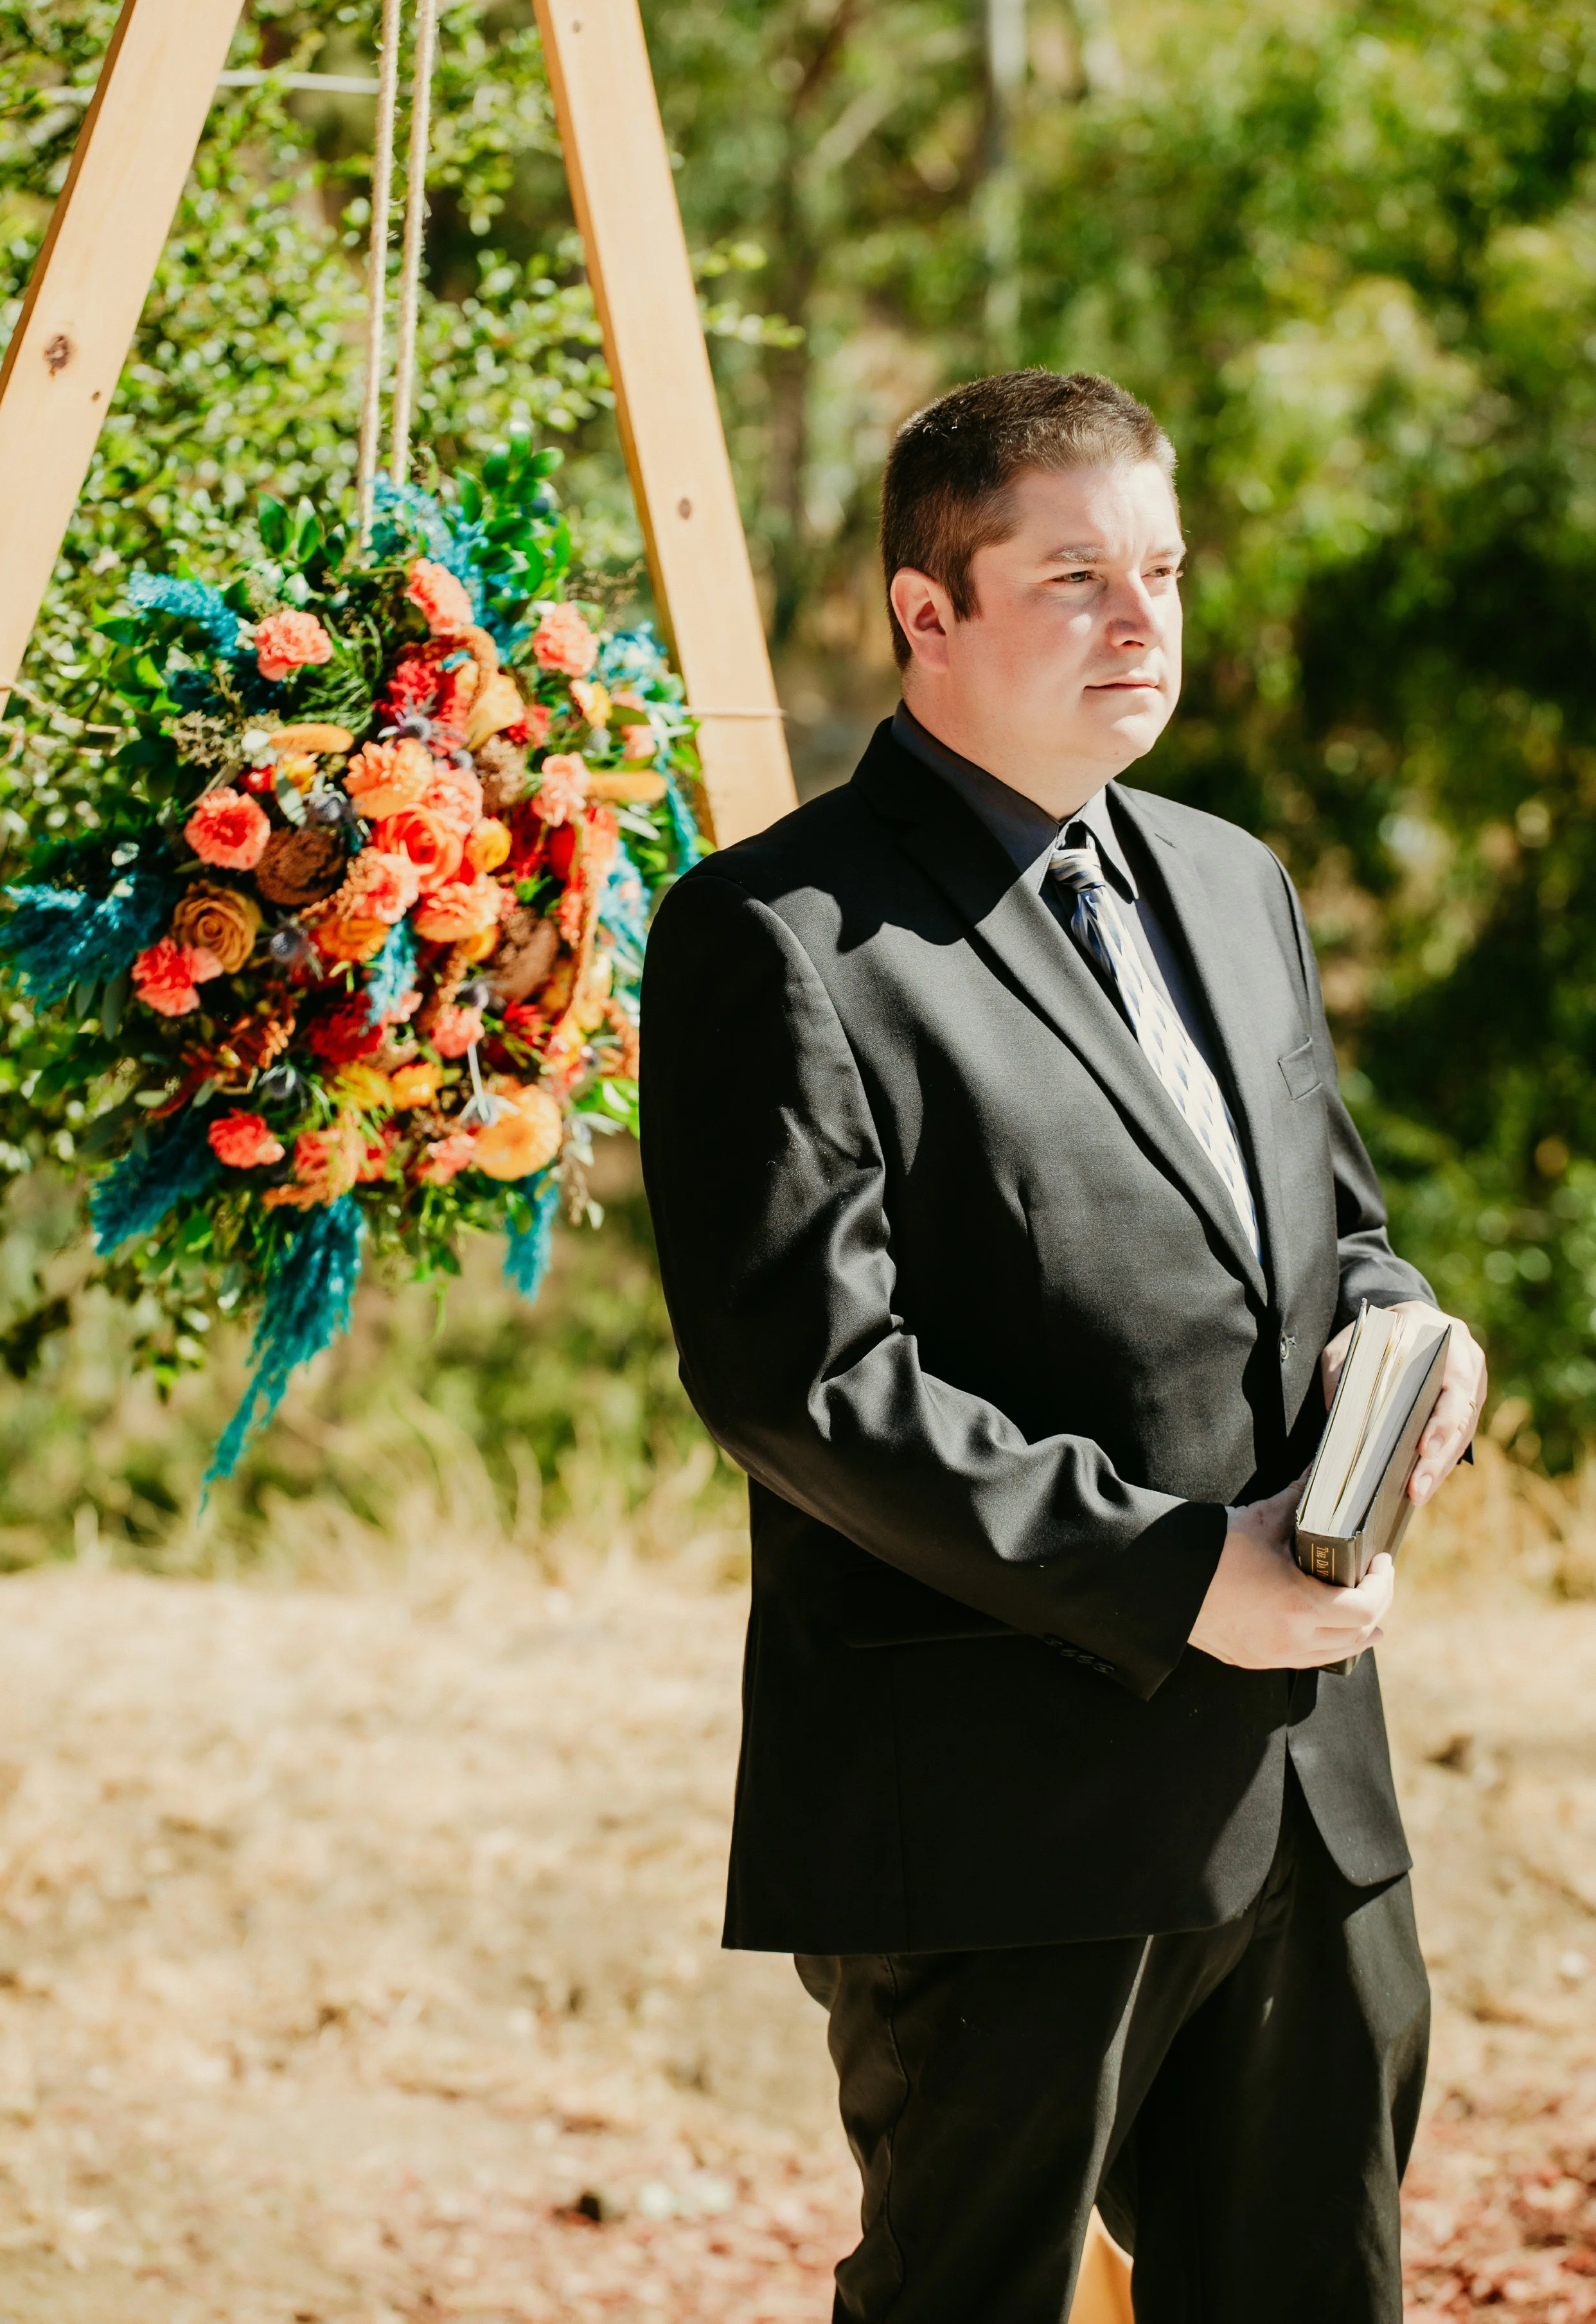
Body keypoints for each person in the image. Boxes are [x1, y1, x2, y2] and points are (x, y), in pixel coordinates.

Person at [638, 369, 1486, 2323]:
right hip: (997, 1817)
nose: (1141, 622)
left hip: (1304, 1798)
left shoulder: (1229, 882)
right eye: (1073, 577)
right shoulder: (773, 936)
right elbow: (800, 1376)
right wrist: (1183, 1573)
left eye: (1163, 569)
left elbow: (1328, 1230)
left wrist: (1400, 1339)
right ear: (923, 616)